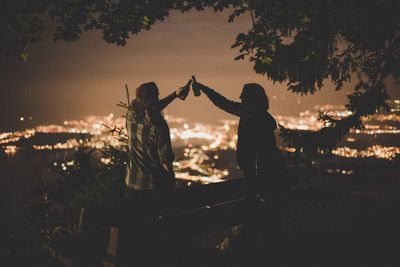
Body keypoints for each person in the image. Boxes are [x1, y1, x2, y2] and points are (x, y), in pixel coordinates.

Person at [125, 81, 190, 193]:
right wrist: (171, 180)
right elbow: (166, 161)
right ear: (154, 100)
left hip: (131, 182)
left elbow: (152, 106)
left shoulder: (130, 115)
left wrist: (175, 94)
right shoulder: (159, 127)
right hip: (152, 186)